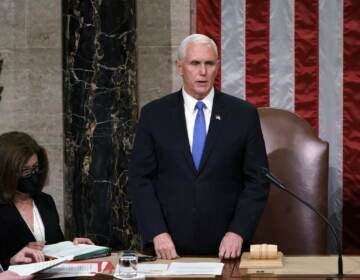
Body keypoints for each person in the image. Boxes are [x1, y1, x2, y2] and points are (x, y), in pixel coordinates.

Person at [127, 34, 269, 260]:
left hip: (227, 249)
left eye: (209, 63)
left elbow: (258, 181)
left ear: (217, 67)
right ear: (180, 67)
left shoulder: (243, 115)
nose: (203, 71)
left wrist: (238, 231)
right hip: (168, 248)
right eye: (195, 63)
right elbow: (139, 179)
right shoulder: (154, 115)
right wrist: (157, 232)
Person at [0, 131, 93, 270]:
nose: (32, 175)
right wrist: (11, 261)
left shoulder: (45, 201)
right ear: (6, 171)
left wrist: (73, 248)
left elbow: (56, 247)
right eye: (25, 170)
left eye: (35, 168)